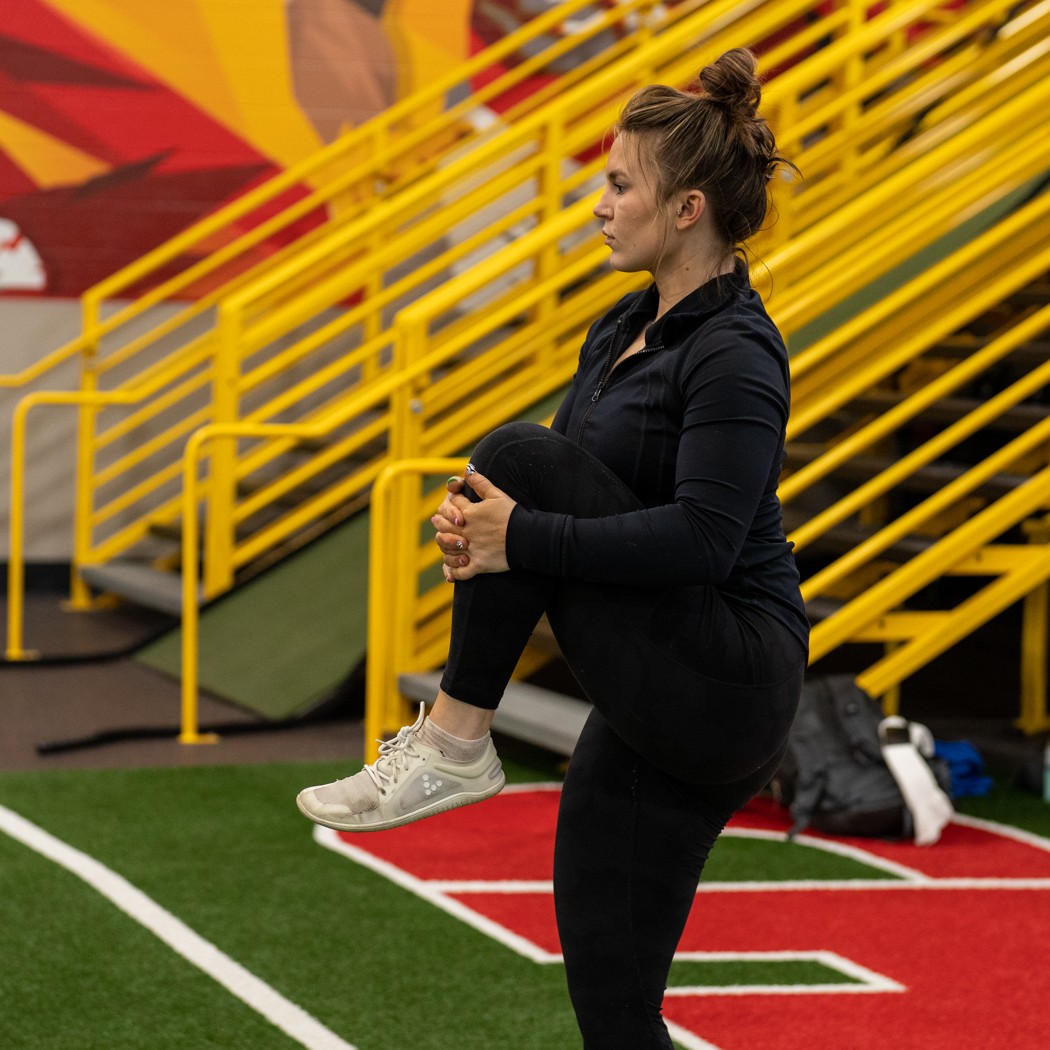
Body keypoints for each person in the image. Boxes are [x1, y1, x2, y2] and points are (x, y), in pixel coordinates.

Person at [296, 47, 809, 1050]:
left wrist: (519, 530)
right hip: (656, 681)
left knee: (517, 458)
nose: (598, 203)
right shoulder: (622, 324)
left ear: (688, 210)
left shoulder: (738, 353)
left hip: (728, 675)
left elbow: (704, 539)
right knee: (614, 1013)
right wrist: (482, 533)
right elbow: (572, 500)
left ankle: (452, 741)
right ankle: (452, 741)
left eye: (620, 185)